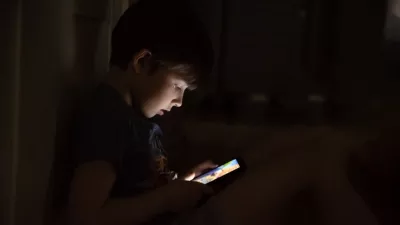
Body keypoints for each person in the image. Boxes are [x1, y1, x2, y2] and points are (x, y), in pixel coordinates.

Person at [67, 0, 380, 225]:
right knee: (310, 164)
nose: (179, 102)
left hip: (178, 204)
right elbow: (85, 216)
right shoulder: (107, 118)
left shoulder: (132, 114)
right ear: (143, 63)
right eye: (178, 87)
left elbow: (140, 183)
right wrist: (166, 198)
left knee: (298, 142)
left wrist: (181, 181)